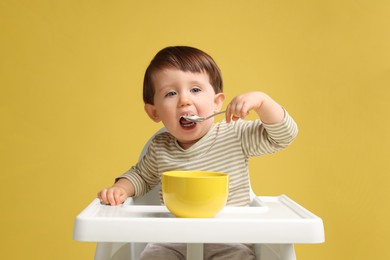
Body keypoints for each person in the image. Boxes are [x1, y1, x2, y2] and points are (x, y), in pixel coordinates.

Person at [98, 46, 298, 260]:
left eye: (195, 90)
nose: (184, 100)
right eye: (171, 93)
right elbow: (140, 176)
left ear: (216, 102)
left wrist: (262, 101)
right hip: (171, 240)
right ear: (154, 111)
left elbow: (283, 136)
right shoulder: (160, 147)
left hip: (229, 239)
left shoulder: (235, 134)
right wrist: (120, 189)